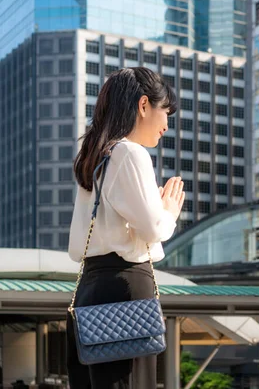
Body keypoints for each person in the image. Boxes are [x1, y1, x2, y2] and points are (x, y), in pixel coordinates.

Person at [67, 67, 184, 388]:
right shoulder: (130, 152)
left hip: (89, 288)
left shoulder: (93, 156)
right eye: (166, 113)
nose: (166, 125)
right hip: (126, 287)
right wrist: (168, 211)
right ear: (144, 105)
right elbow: (154, 229)